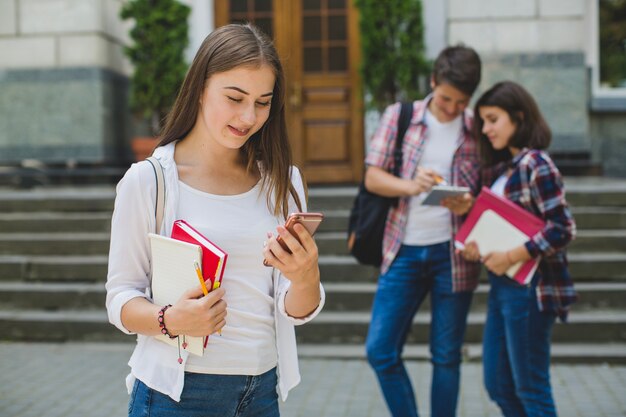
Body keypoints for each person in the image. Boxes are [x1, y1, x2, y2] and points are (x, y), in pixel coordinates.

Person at [105, 24, 325, 417]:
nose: (248, 116)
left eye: (263, 102)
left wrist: (307, 276)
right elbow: (120, 297)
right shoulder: (150, 181)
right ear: (201, 87)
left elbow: (294, 309)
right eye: (235, 98)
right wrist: (171, 319)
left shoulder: (283, 181)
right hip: (177, 396)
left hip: (261, 392)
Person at [364, 45, 485, 417]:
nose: (451, 108)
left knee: (446, 356)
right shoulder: (401, 117)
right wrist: (410, 185)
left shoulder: (477, 129)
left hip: (454, 256)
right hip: (403, 249)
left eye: (460, 102)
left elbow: (490, 192)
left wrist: (470, 205)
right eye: (446, 98)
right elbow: (372, 177)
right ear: (433, 83)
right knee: (380, 350)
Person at [461, 81, 577, 417]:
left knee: (531, 388)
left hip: (531, 291)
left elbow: (562, 228)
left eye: (493, 119)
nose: (486, 129)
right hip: (504, 287)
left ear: (519, 117)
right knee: (498, 385)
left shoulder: (536, 164)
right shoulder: (507, 167)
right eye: (483, 121)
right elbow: (508, 229)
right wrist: (476, 247)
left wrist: (511, 256)